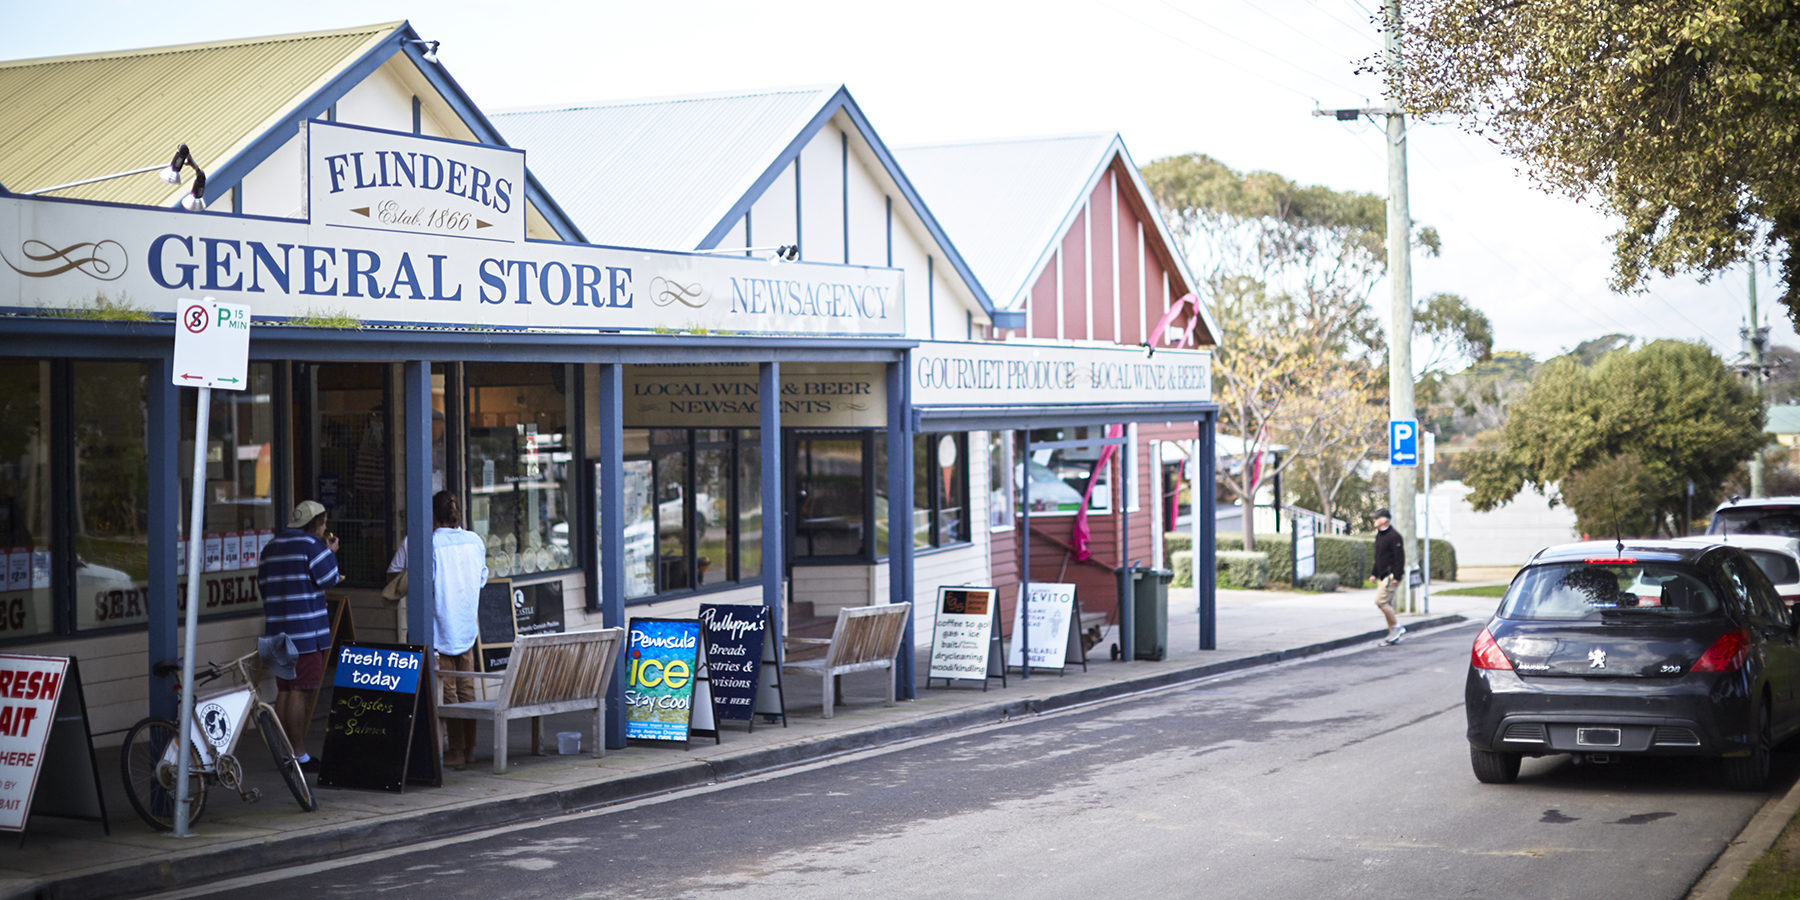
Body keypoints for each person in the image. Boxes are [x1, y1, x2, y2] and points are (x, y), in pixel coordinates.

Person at [389, 491, 488, 766]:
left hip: (437, 627)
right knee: (467, 688)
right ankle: (469, 749)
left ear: (431, 515)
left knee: (448, 691)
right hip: (466, 625)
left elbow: (396, 578)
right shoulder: (474, 541)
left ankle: (455, 750)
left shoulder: (423, 543)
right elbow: (481, 579)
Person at [258, 500, 340, 771]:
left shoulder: (270, 547)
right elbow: (329, 578)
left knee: (284, 689)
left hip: (276, 631)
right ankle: (300, 755)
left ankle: (283, 753)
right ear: (315, 522)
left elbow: (263, 586)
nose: (325, 527)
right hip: (304, 633)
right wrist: (330, 552)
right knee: (299, 692)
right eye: (324, 522)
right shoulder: (312, 545)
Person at [1371, 508, 1406, 645]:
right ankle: (1392, 634)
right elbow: (1378, 557)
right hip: (1382, 575)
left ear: (1384, 519)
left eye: (1376, 518)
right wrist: (1374, 573)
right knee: (1387, 604)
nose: (1374, 520)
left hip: (1391, 576)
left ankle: (1396, 627)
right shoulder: (1380, 535)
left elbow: (1399, 558)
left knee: (1381, 602)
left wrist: (1396, 576)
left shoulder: (1394, 536)